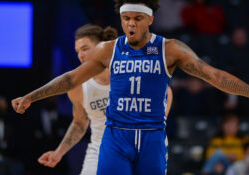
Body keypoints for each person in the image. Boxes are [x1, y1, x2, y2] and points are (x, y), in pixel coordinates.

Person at [12, 0, 249, 175]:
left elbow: (214, 75)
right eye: (126, 18)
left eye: (137, 19)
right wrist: (30, 97)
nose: (130, 24)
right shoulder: (108, 50)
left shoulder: (170, 48)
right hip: (116, 138)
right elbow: (70, 79)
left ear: (150, 18)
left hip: (151, 138)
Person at [36, 23, 173, 174]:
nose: (80, 55)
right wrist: (58, 153)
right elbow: (80, 122)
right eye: (77, 51)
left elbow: (166, 91)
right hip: (99, 151)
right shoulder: (78, 87)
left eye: (85, 49)